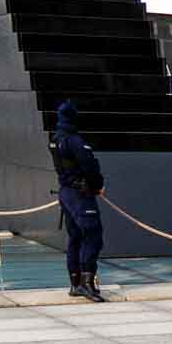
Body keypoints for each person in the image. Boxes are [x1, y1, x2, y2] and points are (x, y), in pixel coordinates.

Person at [51, 101, 105, 302]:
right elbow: (89, 166)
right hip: (80, 194)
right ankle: (87, 283)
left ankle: (75, 283)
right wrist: (97, 185)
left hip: (66, 192)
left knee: (75, 238)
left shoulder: (55, 139)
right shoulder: (74, 141)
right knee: (92, 236)